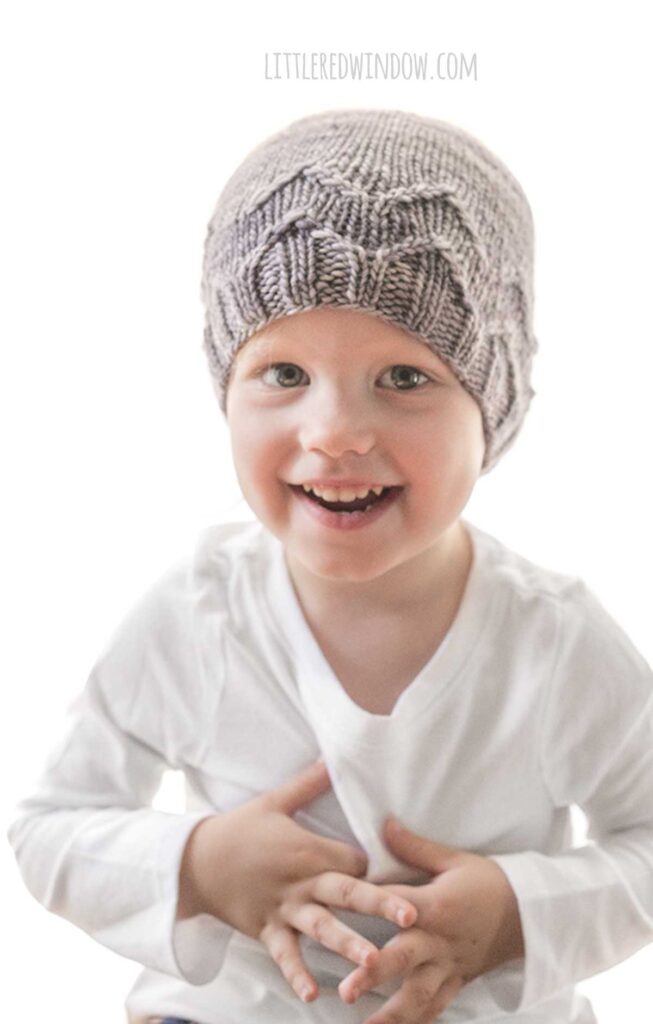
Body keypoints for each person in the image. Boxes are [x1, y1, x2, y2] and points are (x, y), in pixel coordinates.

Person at [7, 108, 653, 1024]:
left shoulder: (548, 639)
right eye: (283, 375)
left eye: (403, 378)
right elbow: (48, 829)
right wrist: (199, 867)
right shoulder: (202, 611)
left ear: (492, 408)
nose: (335, 432)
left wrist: (516, 915)